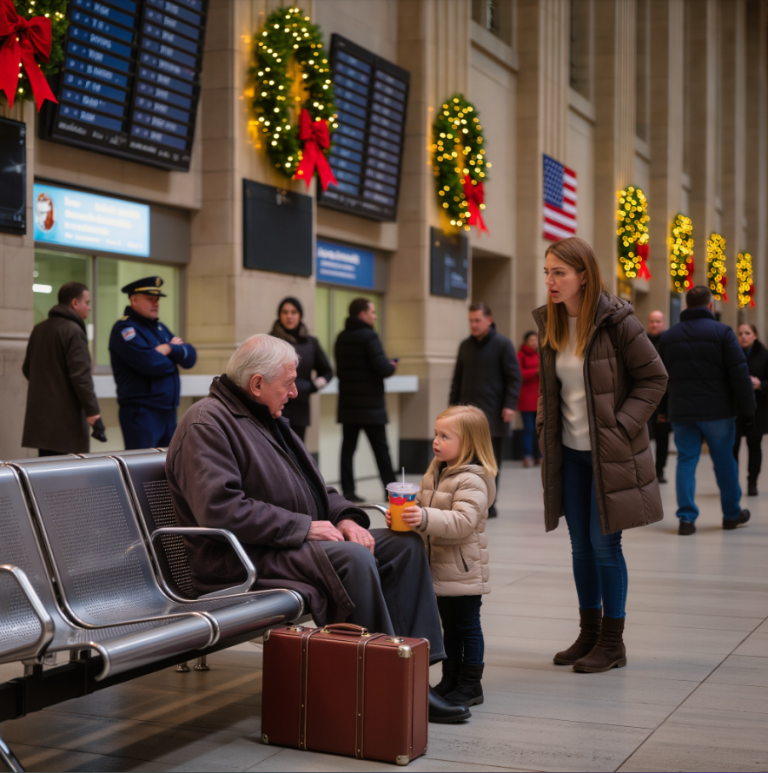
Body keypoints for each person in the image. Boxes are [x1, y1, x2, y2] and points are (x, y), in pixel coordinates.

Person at [166, 334, 470, 724]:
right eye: (287, 383)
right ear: (257, 384)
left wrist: (344, 517)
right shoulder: (207, 424)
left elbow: (317, 488)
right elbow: (220, 510)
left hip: (283, 546)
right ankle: (379, 684)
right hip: (240, 559)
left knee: (402, 545)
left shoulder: (267, 416)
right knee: (353, 557)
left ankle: (413, 679)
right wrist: (304, 526)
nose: (294, 392)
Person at [534, 236, 667, 673]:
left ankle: (613, 642)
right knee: (579, 547)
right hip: (569, 454)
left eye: (560, 273)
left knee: (604, 546)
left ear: (583, 276)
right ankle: (588, 633)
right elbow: (552, 390)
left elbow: (654, 378)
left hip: (608, 455)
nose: (550, 281)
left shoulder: (618, 323)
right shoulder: (552, 323)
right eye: (547, 271)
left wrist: (623, 426)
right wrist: (543, 429)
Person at [388, 405, 496, 708]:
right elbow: (425, 517)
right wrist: (402, 518)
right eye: (436, 434)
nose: (436, 441)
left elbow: (462, 523)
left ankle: (471, 684)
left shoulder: (471, 481)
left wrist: (422, 517)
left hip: (462, 569)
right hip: (438, 568)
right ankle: (451, 679)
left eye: (445, 436)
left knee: (468, 627)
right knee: (448, 627)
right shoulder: (434, 474)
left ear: (469, 443)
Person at [658, 286, 756, 534]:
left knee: (685, 461)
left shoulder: (669, 337)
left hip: (681, 412)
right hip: (718, 412)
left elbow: (658, 378)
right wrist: (748, 409)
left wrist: (662, 409)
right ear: (711, 306)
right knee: (724, 462)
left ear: (687, 307)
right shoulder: (723, 332)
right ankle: (731, 514)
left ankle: (686, 519)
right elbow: (739, 373)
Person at [449, 302, 521, 517]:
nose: (473, 324)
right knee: (466, 462)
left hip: (493, 415)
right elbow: (457, 380)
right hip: (466, 418)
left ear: (489, 320)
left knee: (490, 464)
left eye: (477, 320)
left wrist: (510, 405)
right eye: (471, 321)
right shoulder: (465, 346)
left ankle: (490, 503)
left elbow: (514, 378)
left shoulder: (503, 344)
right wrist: (452, 409)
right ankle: (468, 501)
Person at [109, 277, 197, 450]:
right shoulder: (125, 329)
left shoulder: (160, 329)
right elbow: (150, 363)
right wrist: (173, 355)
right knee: (142, 471)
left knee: (167, 468)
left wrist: (168, 349)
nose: (156, 304)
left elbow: (190, 358)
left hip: (168, 412)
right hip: (142, 412)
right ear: (134, 299)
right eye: (150, 299)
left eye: (157, 300)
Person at [22, 282, 102, 455]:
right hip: (66, 423)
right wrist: (93, 413)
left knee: (44, 474)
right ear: (74, 303)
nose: (89, 308)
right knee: (69, 477)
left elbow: (27, 368)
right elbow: (81, 376)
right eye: (86, 303)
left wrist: (49, 390)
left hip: (42, 421)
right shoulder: (72, 330)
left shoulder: (39, 328)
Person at [335, 297, 397, 502]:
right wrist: (392, 365)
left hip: (349, 405)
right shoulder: (370, 337)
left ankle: (348, 491)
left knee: (347, 450)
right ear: (362, 315)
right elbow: (383, 368)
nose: (375, 316)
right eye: (372, 312)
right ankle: (390, 490)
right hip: (371, 406)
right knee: (381, 450)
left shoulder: (341, 338)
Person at [269, 297, 333, 442]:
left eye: (294, 312)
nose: (289, 316)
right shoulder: (270, 341)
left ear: (300, 315)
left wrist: (314, 386)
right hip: (274, 406)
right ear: (279, 315)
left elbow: (327, 371)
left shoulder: (311, 342)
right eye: (285, 312)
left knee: (297, 456)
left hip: (300, 406)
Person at [733, 323, 768, 496]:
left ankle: (752, 482)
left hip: (757, 408)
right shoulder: (732, 354)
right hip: (735, 409)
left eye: (747, 333)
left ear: (755, 335)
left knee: (754, 446)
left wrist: (761, 384)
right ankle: (733, 483)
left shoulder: (764, 356)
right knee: (733, 447)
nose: (743, 336)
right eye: (740, 333)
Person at [646, 310, 671, 483]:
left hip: (665, 398)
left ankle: (660, 470)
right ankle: (645, 471)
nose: (655, 324)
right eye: (652, 321)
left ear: (664, 323)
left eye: (658, 321)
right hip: (644, 396)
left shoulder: (670, 343)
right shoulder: (641, 340)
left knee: (663, 437)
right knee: (644, 436)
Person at [517, 331, 542, 467]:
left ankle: (540, 456)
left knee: (540, 430)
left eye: (535, 340)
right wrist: (536, 371)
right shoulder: (520, 355)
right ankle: (527, 456)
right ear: (526, 341)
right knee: (529, 429)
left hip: (539, 399)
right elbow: (518, 373)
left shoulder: (542, 354)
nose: (534, 343)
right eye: (531, 340)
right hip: (526, 399)